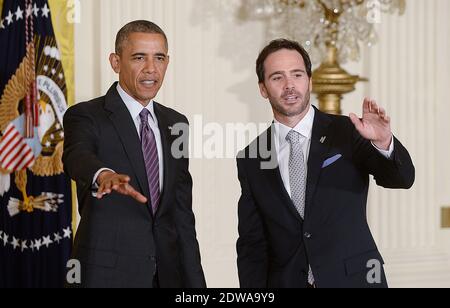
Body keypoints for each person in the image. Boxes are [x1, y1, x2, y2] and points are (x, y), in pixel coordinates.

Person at [236, 39, 415, 288]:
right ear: (263, 88)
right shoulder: (252, 157)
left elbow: (401, 179)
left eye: (297, 74)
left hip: (356, 280)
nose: (289, 85)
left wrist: (384, 142)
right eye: (277, 77)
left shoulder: (348, 132)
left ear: (309, 80)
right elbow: (252, 244)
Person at [63, 20, 206, 288]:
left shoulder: (177, 124)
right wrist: (103, 174)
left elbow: (182, 215)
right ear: (116, 62)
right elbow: (76, 156)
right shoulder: (86, 115)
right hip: (106, 278)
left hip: (166, 276)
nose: (151, 68)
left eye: (159, 58)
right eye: (139, 57)